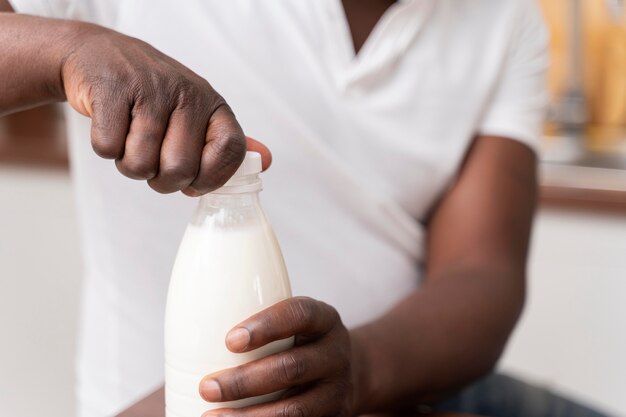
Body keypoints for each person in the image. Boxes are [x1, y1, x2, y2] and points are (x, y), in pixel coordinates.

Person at [0, 1, 612, 417]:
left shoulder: (505, 21)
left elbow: (482, 274)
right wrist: (68, 50)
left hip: (397, 384)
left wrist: (356, 370)